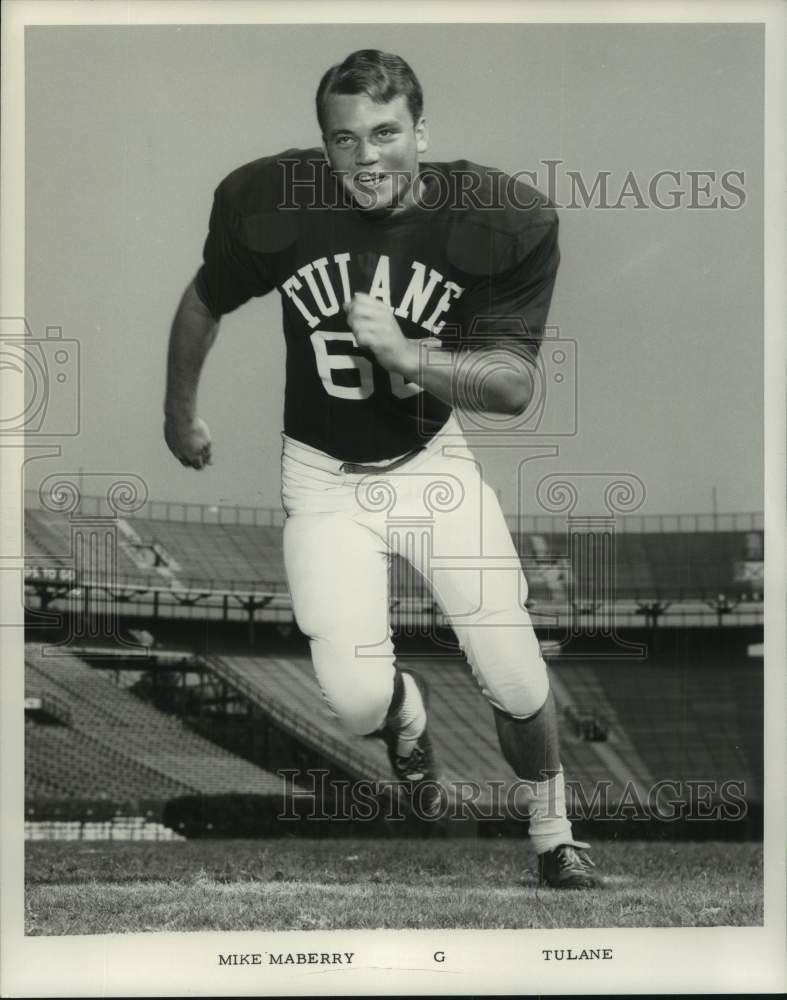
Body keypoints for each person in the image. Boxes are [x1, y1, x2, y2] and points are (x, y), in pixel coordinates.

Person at [164, 49, 599, 889]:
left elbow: (510, 387)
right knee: (357, 701)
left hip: (429, 462)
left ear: (421, 132)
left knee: (511, 666)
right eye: (344, 139)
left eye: (385, 133)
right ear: (323, 145)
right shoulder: (272, 201)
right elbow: (203, 300)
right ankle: (404, 714)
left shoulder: (497, 217)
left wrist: (409, 354)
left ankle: (554, 837)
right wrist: (177, 414)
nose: (366, 158)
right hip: (322, 474)